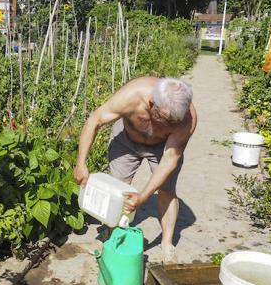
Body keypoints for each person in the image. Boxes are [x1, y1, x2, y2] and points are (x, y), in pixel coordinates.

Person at [73, 77, 197, 261]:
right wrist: (80, 163)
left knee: (167, 190)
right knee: (117, 189)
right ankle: (111, 234)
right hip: (126, 141)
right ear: (151, 103)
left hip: (162, 149)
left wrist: (144, 196)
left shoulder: (187, 118)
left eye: (172, 122)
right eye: (163, 119)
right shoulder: (132, 96)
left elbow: (169, 161)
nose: (167, 126)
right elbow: (95, 120)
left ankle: (166, 242)